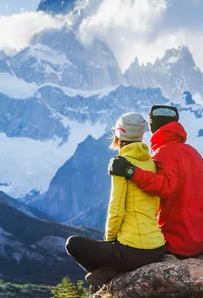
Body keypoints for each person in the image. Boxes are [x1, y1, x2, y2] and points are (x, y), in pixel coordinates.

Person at [66, 112, 166, 290]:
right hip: (157, 247)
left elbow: (116, 208)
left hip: (133, 251)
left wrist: (109, 240)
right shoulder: (152, 163)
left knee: (73, 244)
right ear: (141, 135)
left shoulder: (121, 164)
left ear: (119, 134)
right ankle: (109, 272)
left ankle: (109, 276)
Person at [108, 105, 203, 259]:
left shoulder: (164, 152)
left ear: (153, 126)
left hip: (176, 242)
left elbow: (165, 188)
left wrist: (130, 171)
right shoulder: (194, 153)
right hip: (199, 241)